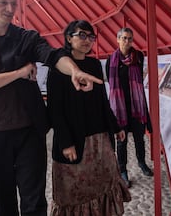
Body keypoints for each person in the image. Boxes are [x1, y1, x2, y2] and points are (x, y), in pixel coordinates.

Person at [0, 0, 102, 216]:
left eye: (14, 3)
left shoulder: (26, 38)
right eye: (2, 3)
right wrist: (19, 73)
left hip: (29, 134)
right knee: (3, 205)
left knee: (35, 202)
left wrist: (74, 70)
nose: (10, 9)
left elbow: (53, 55)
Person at [47, 20, 131, 215]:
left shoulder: (94, 64)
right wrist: (65, 143)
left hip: (100, 139)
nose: (87, 41)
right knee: (74, 191)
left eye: (91, 37)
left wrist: (116, 127)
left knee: (104, 184)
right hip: (74, 141)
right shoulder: (59, 67)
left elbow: (103, 101)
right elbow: (55, 110)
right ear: (69, 38)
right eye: (82, 35)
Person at [105, 27, 153, 188]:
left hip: (136, 106)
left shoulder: (138, 57)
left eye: (130, 38)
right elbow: (111, 85)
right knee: (121, 142)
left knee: (140, 138)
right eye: (124, 38)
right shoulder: (111, 59)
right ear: (117, 39)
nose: (127, 41)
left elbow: (140, 79)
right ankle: (123, 170)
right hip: (120, 109)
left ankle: (142, 162)